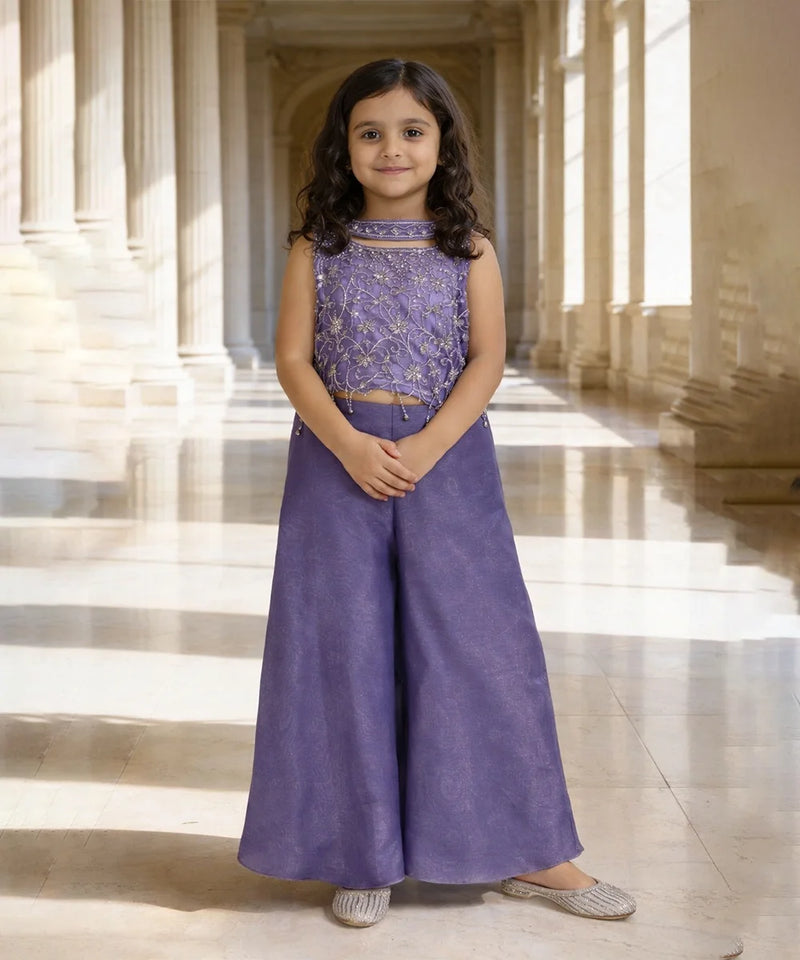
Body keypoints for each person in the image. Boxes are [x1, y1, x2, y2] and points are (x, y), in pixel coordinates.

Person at [238, 58, 636, 929]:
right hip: (333, 465)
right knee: (341, 648)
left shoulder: (469, 249)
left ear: (441, 143)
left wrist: (421, 448)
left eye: (412, 131)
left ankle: (538, 853)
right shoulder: (317, 246)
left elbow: (487, 359)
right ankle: (362, 849)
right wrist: (348, 444)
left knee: (480, 647)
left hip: (446, 462)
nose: (391, 148)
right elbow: (293, 360)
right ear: (342, 148)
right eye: (369, 132)